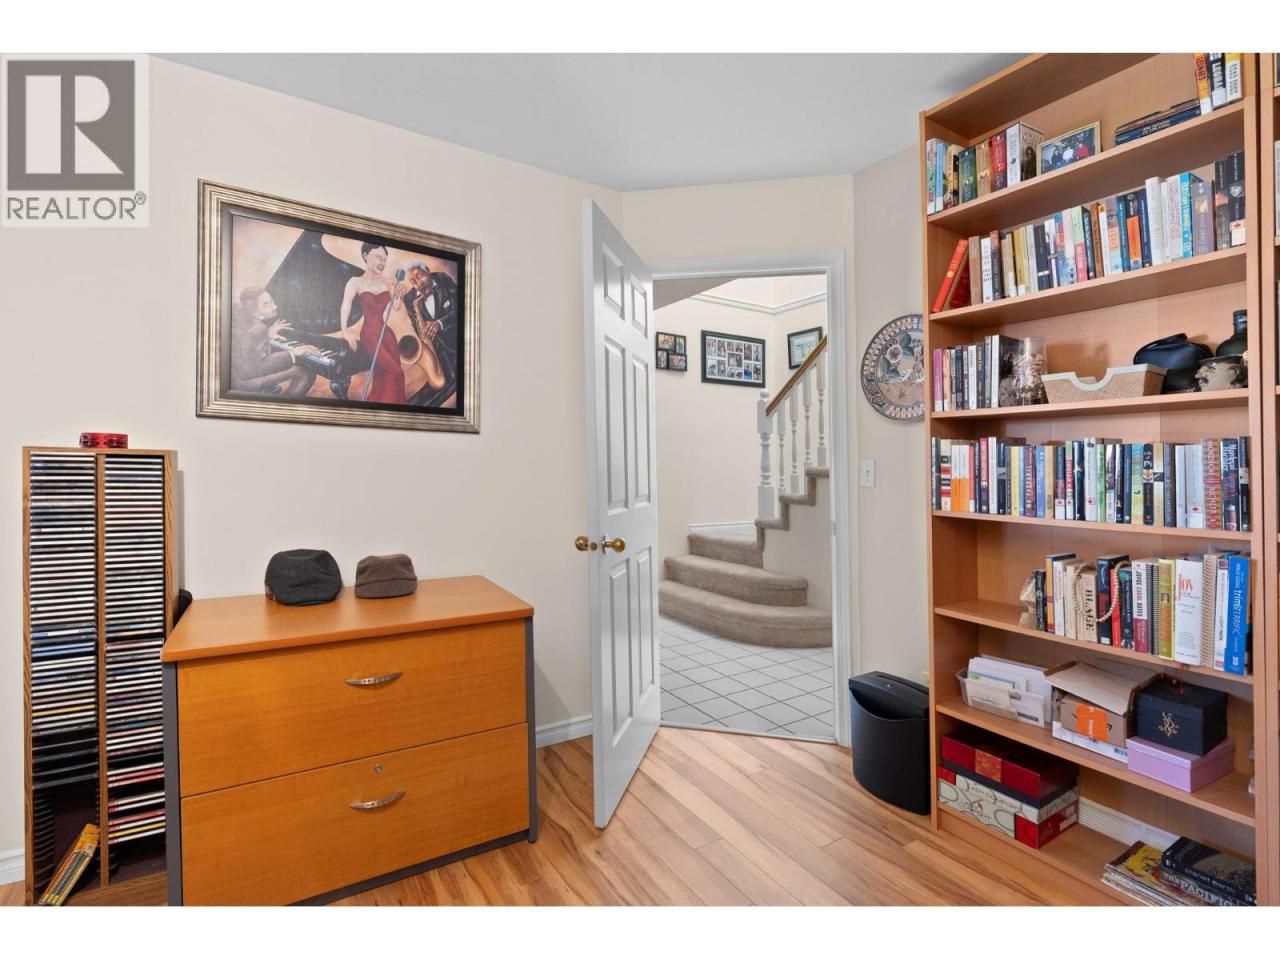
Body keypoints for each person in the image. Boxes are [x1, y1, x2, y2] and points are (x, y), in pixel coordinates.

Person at [337, 242, 407, 404]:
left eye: (385, 259)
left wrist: (400, 293)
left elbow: (396, 307)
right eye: (378, 257)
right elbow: (345, 305)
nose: (382, 262)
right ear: (365, 256)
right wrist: (344, 331)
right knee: (395, 372)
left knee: (386, 374)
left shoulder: (390, 282)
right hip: (369, 334)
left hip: (387, 335)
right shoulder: (355, 282)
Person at [231, 287, 322, 396]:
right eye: (266, 305)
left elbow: (249, 349)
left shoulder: (243, 317)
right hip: (242, 383)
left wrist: (268, 335)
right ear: (254, 311)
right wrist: (292, 353)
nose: (274, 306)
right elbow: (250, 371)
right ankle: (282, 404)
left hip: (236, 375)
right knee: (306, 373)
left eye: (272, 301)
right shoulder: (258, 328)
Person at [402, 261, 459, 402]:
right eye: (413, 282)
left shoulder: (443, 279)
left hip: (455, 345)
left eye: (419, 277)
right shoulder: (409, 299)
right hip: (436, 350)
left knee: (449, 383)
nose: (418, 284)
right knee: (438, 386)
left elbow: (461, 308)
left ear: (427, 270)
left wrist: (440, 323)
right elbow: (418, 330)